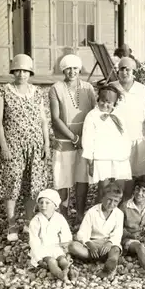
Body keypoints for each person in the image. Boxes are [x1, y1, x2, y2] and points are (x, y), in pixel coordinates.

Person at [0, 54, 50, 242]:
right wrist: (4, 146)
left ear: (30, 72)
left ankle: (29, 220)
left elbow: (42, 119)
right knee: (13, 184)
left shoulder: (38, 92)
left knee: (32, 184)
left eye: (25, 71)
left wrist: (47, 144)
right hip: (13, 146)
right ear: (13, 71)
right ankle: (11, 223)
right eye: (18, 70)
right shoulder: (3, 91)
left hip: (35, 145)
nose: (21, 74)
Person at [49, 54, 94, 221]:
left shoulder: (88, 88)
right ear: (63, 70)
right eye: (68, 68)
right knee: (63, 180)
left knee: (82, 179)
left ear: (79, 69)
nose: (72, 71)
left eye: (75, 68)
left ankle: (81, 213)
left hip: (84, 141)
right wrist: (74, 138)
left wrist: (85, 138)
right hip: (65, 141)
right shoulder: (56, 88)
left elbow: (95, 113)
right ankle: (63, 216)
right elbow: (55, 118)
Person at [110, 57, 145, 201]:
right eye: (122, 68)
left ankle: (135, 209)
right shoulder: (111, 88)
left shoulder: (142, 90)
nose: (125, 72)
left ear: (134, 71)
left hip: (140, 139)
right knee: (119, 177)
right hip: (118, 141)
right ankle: (119, 208)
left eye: (128, 69)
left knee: (139, 177)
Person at [81, 85, 131, 200]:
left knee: (119, 188)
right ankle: (100, 214)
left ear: (115, 103)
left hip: (119, 158)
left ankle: (116, 215)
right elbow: (88, 139)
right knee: (104, 189)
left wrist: (126, 154)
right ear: (98, 100)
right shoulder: (92, 116)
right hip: (101, 158)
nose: (105, 105)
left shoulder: (119, 115)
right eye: (102, 101)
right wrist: (90, 161)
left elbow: (126, 136)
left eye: (109, 102)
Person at [69, 182, 124, 279]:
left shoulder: (119, 214)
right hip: (93, 243)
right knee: (73, 246)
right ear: (102, 198)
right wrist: (89, 244)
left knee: (115, 249)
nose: (111, 204)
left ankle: (110, 264)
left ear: (119, 201)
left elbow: (117, 233)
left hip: (107, 244)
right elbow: (82, 233)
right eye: (109, 200)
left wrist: (110, 242)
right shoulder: (92, 212)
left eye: (115, 201)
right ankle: (98, 258)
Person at [28, 189, 72, 281]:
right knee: (52, 261)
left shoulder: (60, 218)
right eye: (41, 202)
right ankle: (60, 275)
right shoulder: (36, 221)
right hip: (42, 248)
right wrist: (39, 259)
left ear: (55, 206)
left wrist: (67, 251)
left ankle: (69, 271)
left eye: (47, 203)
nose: (43, 205)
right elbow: (34, 241)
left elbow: (66, 235)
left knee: (63, 260)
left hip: (56, 247)